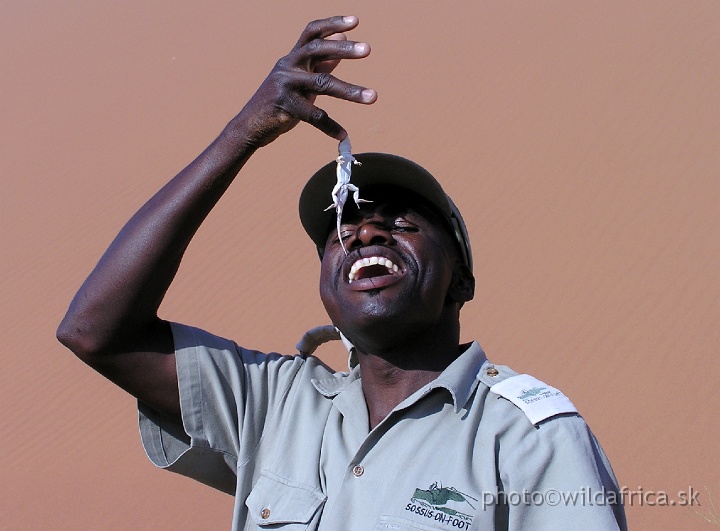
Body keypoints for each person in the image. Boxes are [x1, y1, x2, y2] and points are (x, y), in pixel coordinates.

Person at [57, 16, 627, 531]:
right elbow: (96, 332)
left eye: (402, 223)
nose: (365, 233)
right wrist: (243, 132)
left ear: (462, 280)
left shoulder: (530, 437)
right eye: (340, 232)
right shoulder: (276, 406)